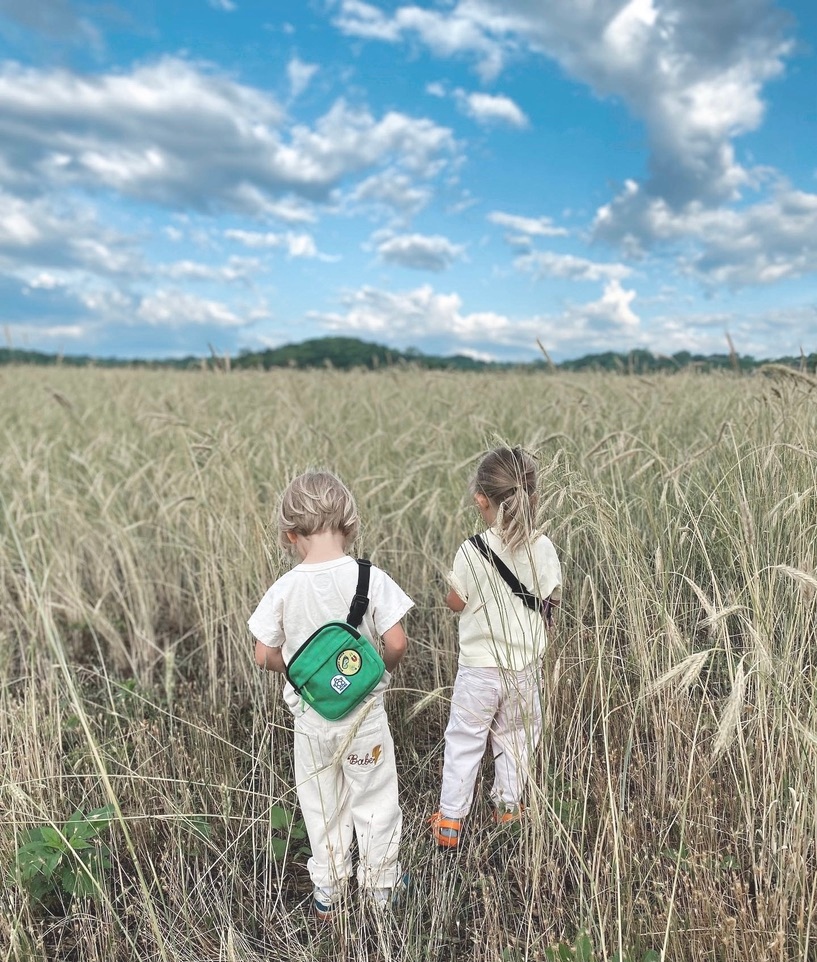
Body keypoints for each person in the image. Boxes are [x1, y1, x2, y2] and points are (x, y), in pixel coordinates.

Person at [248, 470, 413, 918]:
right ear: (350, 522)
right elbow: (396, 643)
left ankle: (330, 888)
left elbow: (263, 654)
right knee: (375, 798)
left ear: (289, 534)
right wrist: (377, 675)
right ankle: (381, 887)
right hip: (365, 718)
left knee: (322, 804)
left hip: (312, 720)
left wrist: (302, 675)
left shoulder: (284, 588)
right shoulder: (370, 577)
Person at [429, 446, 562, 849]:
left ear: (480, 500)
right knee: (517, 739)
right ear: (533, 498)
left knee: (465, 741)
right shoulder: (544, 548)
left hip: (478, 671)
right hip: (524, 670)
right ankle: (508, 807)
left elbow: (457, 601)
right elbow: (551, 600)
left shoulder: (471, 550)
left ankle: (450, 821)